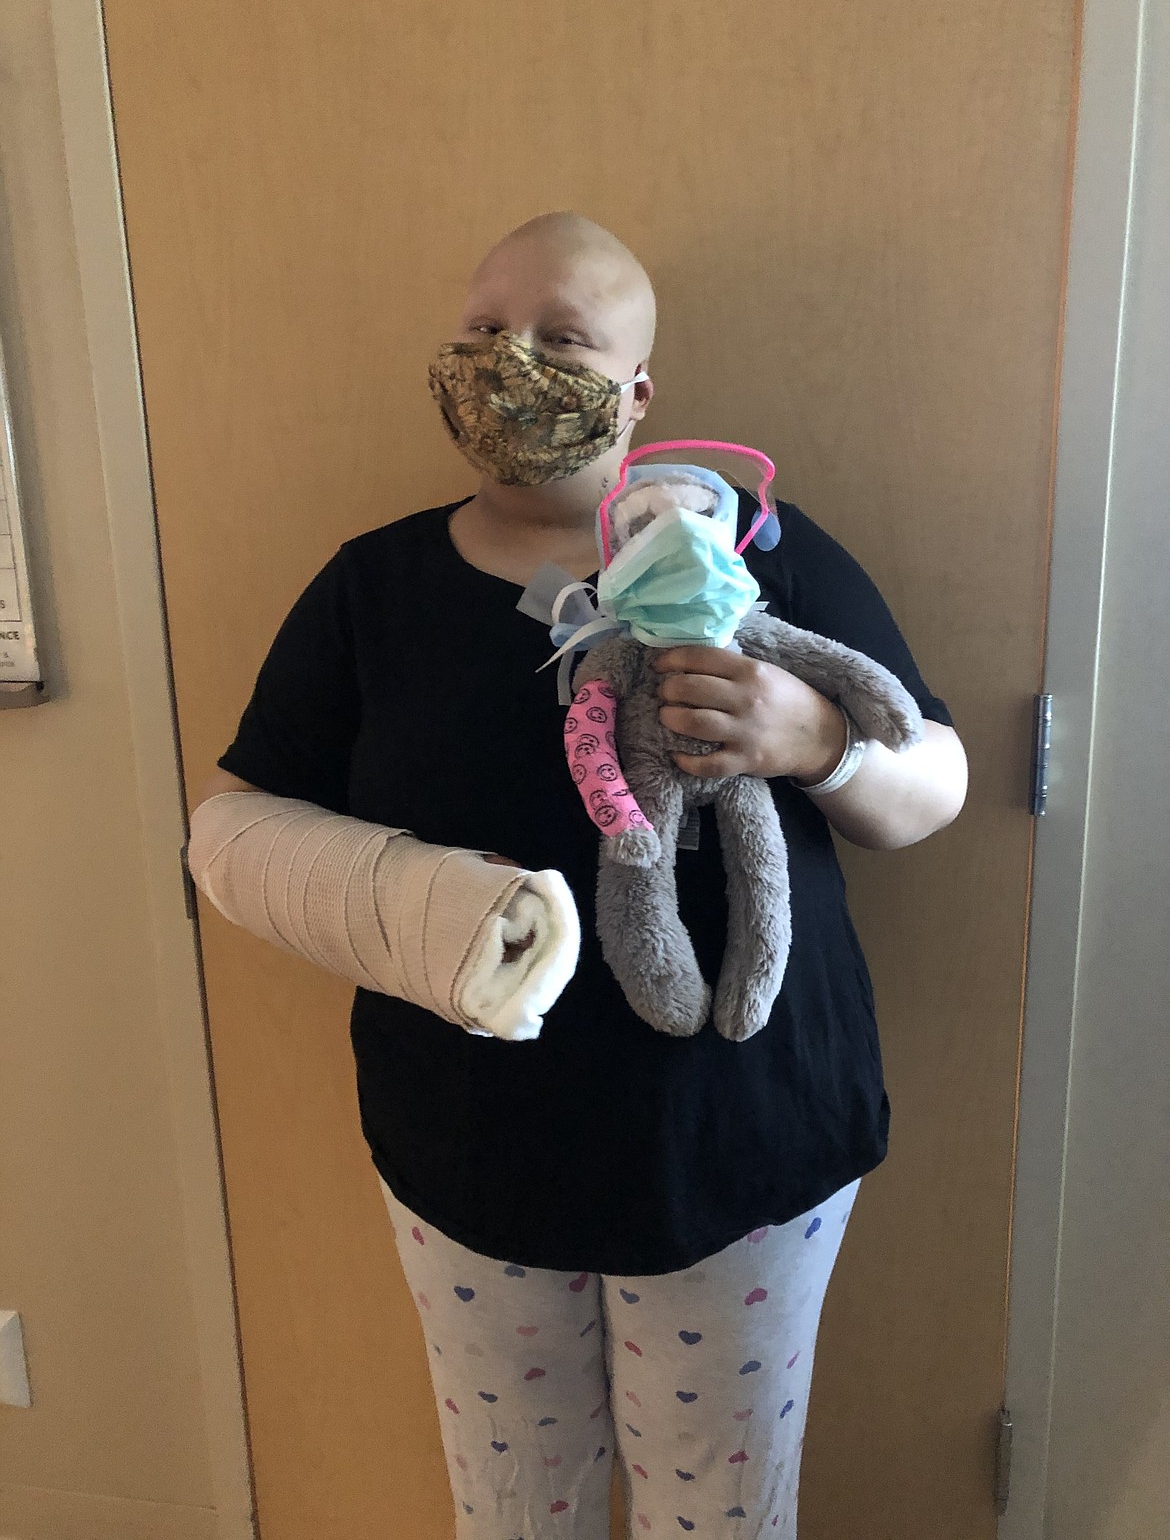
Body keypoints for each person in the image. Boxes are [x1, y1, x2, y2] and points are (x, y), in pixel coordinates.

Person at [190, 212, 967, 1539]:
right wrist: (425, 899)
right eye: (485, 330)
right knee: (512, 1508)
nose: (513, 361)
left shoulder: (759, 553)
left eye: (562, 337)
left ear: (638, 391)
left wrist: (814, 738)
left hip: (742, 1141)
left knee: (718, 1513)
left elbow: (932, 787)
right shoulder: (371, 590)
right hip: (470, 1155)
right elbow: (246, 836)